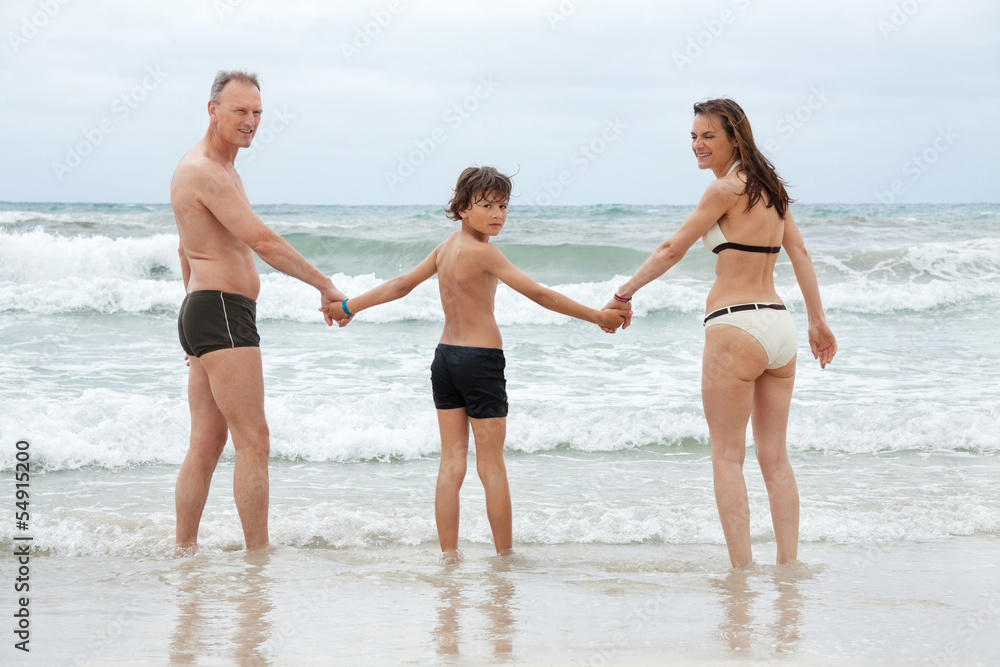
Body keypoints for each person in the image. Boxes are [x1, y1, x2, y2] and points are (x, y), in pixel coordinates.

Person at [325, 166, 628, 562]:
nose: (497, 213)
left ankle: (449, 555)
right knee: (492, 466)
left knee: (451, 462)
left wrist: (347, 307)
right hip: (481, 361)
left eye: (502, 205)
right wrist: (598, 317)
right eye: (486, 205)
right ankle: (505, 557)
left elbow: (399, 285)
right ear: (463, 208)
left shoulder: (444, 249)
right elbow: (539, 294)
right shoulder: (486, 253)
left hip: (445, 360)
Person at [603, 99, 837, 568]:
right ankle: (787, 569)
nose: (697, 144)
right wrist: (816, 320)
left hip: (735, 326)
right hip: (779, 327)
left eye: (708, 135)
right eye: (692, 136)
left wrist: (624, 293)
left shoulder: (725, 190)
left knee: (728, 458)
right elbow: (801, 254)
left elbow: (672, 248)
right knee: (776, 459)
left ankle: (743, 575)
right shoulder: (772, 191)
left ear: (734, 137)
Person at [171, 70, 349, 555]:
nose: (250, 122)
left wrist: (193, 324)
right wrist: (324, 283)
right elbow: (263, 242)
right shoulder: (206, 170)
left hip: (207, 312)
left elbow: (187, 250)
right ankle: (258, 557)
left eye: (256, 113)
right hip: (222, 312)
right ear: (213, 110)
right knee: (255, 441)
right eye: (239, 111)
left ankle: (184, 551)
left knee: (206, 446)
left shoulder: (217, 168)